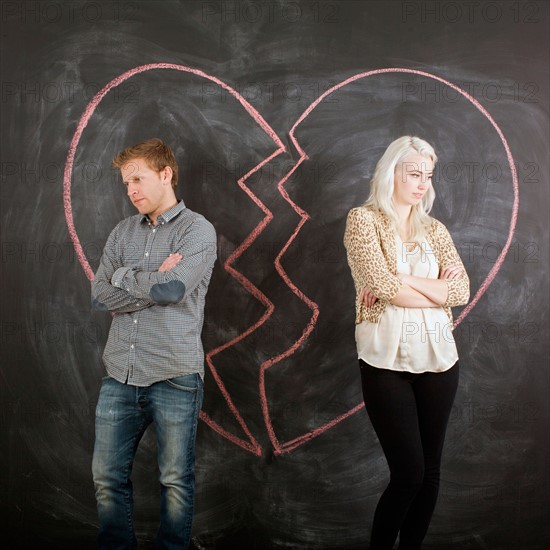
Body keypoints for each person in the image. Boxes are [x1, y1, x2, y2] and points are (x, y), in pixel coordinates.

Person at [343, 136, 469, 550]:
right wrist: (430, 288)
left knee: (430, 473)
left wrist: (403, 282)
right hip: (385, 362)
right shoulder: (363, 220)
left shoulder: (434, 229)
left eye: (427, 176)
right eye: (414, 173)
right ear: (390, 172)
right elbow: (380, 285)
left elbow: (462, 291)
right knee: (409, 474)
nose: (421, 184)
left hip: (439, 360)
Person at [91, 138, 217, 549]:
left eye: (139, 179)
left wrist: (123, 277)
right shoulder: (121, 231)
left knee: (175, 481)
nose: (131, 190)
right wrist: (147, 279)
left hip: (174, 375)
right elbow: (98, 295)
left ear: (166, 174)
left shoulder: (197, 230)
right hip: (119, 376)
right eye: (126, 183)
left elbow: (173, 289)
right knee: (107, 478)